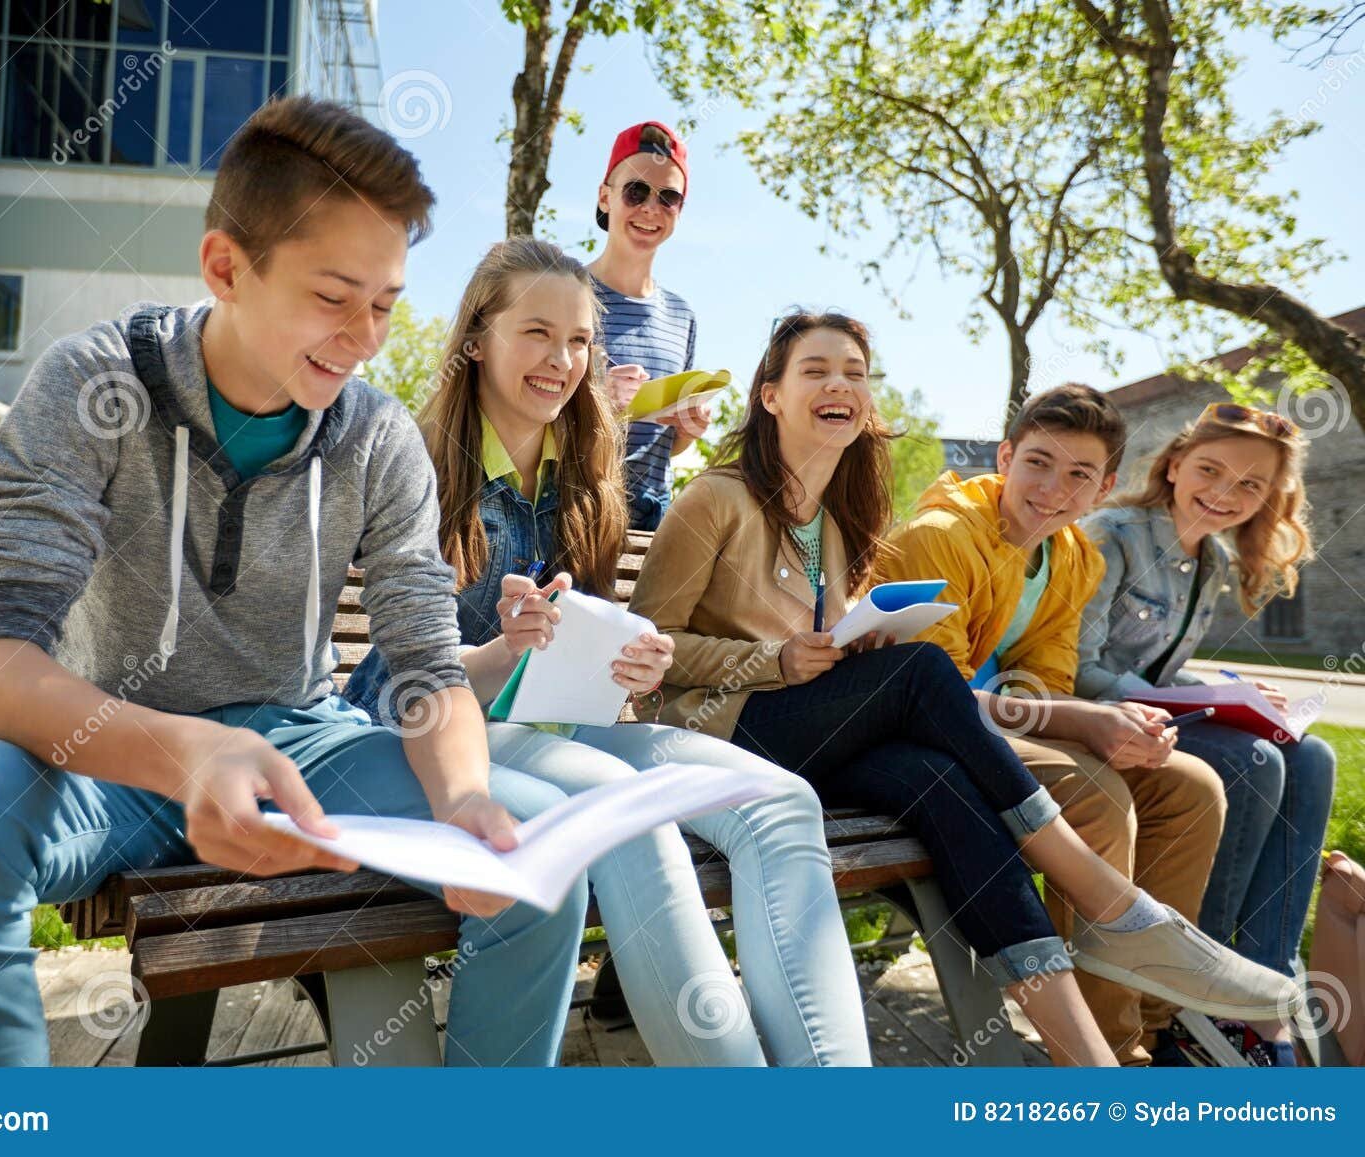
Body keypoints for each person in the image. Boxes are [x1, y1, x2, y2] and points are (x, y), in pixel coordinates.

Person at [0, 97, 590, 1067]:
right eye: (333, 297)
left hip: (301, 747)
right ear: (225, 268)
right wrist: (187, 754)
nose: (365, 337)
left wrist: (459, 799)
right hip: (101, 749)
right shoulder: (90, 386)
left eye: (384, 303)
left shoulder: (376, 437)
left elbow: (424, 663)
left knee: (533, 849)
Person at [631, 313, 1296, 1067]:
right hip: (716, 733)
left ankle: (1096, 1068)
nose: (840, 384)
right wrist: (776, 662)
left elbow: (830, 647)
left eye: (854, 372)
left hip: (806, 740)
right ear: (771, 396)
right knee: (922, 673)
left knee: (941, 780)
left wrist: (856, 638)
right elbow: (645, 653)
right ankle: (1114, 905)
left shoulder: (845, 516)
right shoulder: (717, 498)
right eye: (815, 370)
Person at [346, 240, 871, 1066]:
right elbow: (413, 669)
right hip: (424, 725)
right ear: (477, 339)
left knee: (777, 799)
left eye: (582, 340)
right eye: (538, 333)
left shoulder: (589, 471)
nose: (562, 360)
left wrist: (633, 656)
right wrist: (506, 648)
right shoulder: (411, 462)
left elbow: (575, 638)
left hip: (547, 722)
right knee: (624, 813)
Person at [878, 382, 1266, 1065]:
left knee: (1191, 786)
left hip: (999, 730)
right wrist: (1083, 720)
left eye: (1079, 474)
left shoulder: (1071, 557)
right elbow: (929, 696)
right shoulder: (943, 536)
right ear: (1005, 456)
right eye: (1038, 462)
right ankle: (1110, 1053)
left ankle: (1154, 1021)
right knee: (1097, 795)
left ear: (1104, 485)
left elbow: (1049, 684)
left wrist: (1110, 721)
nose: (1053, 488)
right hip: (918, 741)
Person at [1077, 402, 1334, 1065]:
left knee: (1311, 757)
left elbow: (1157, 664)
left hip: (1153, 715)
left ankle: (1263, 976)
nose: (1224, 493)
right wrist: (1194, 703)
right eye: (1210, 470)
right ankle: (1200, 986)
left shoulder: (1212, 562)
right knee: (1253, 760)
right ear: (1173, 465)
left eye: (1250, 485)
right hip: (1089, 723)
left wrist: (1228, 692)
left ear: (1269, 498)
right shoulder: (1113, 534)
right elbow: (1077, 667)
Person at [586, 120, 710, 530]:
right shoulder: (564, 294)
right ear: (605, 198)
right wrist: (596, 399)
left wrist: (689, 430)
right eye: (635, 191)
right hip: (570, 513)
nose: (650, 208)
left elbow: (664, 448)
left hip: (650, 525)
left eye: (668, 197)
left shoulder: (682, 316)